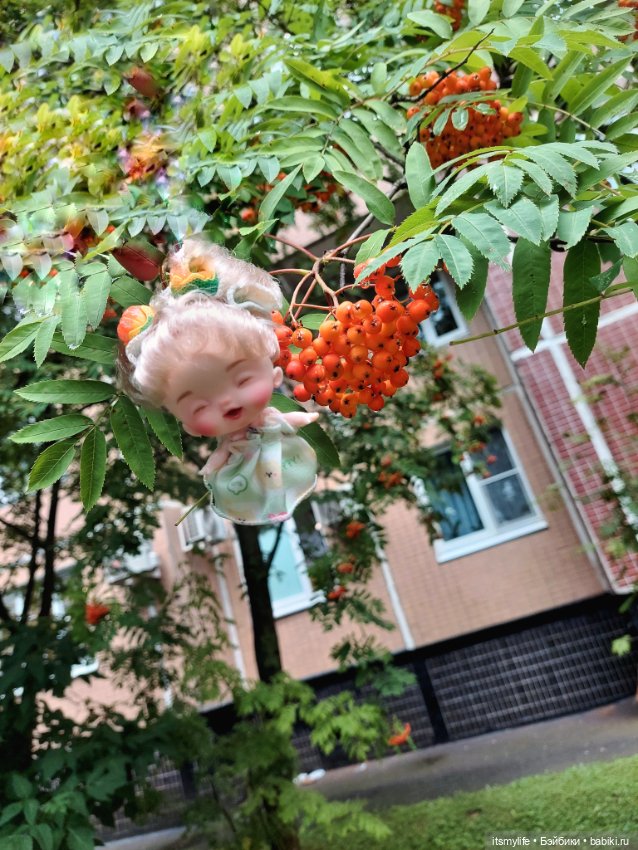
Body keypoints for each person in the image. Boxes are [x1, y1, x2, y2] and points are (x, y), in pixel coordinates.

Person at [116, 236, 318, 524]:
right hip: (244, 482)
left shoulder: (269, 419)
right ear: (187, 425)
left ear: (275, 374)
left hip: (287, 460)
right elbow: (218, 458)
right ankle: (267, 507)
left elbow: (295, 420)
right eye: (199, 407)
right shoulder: (234, 439)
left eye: (243, 379)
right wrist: (212, 467)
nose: (225, 401)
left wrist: (304, 419)